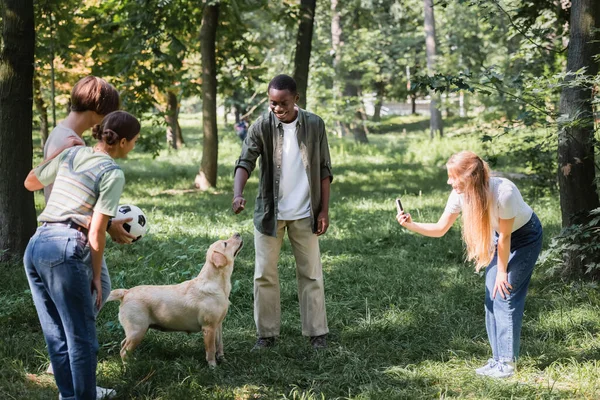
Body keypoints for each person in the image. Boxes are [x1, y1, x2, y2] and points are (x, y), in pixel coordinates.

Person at [24, 111, 141, 399]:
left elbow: (30, 182)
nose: (134, 146)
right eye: (135, 141)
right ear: (123, 141)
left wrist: (60, 156)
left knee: (56, 335)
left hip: (37, 244)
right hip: (66, 249)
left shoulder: (72, 155)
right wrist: (97, 277)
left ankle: (69, 395)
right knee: (82, 338)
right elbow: (98, 231)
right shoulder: (112, 172)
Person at [396, 151, 543, 379]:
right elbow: (440, 228)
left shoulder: (504, 192)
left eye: (453, 177)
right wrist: (411, 225)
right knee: (490, 297)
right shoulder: (461, 195)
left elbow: (505, 238)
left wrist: (502, 272)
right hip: (501, 239)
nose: (449, 182)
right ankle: (496, 360)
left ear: (470, 177)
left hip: (525, 238)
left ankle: (507, 363)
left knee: (504, 294)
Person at [42, 76, 136, 376]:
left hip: (62, 232)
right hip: (72, 236)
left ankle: (65, 360)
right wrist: (106, 226)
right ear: (100, 110)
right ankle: (69, 364)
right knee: (94, 295)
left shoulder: (61, 133)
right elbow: (77, 199)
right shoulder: (73, 142)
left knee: (97, 292)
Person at [232, 74, 333, 350]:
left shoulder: (314, 125)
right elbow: (245, 162)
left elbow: (324, 169)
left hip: (305, 212)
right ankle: (266, 335)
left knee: (311, 274)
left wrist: (323, 209)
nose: (277, 108)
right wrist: (238, 193)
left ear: (296, 99)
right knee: (264, 274)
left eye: (283, 103)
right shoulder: (261, 126)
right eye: (272, 103)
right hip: (269, 214)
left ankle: (317, 334)